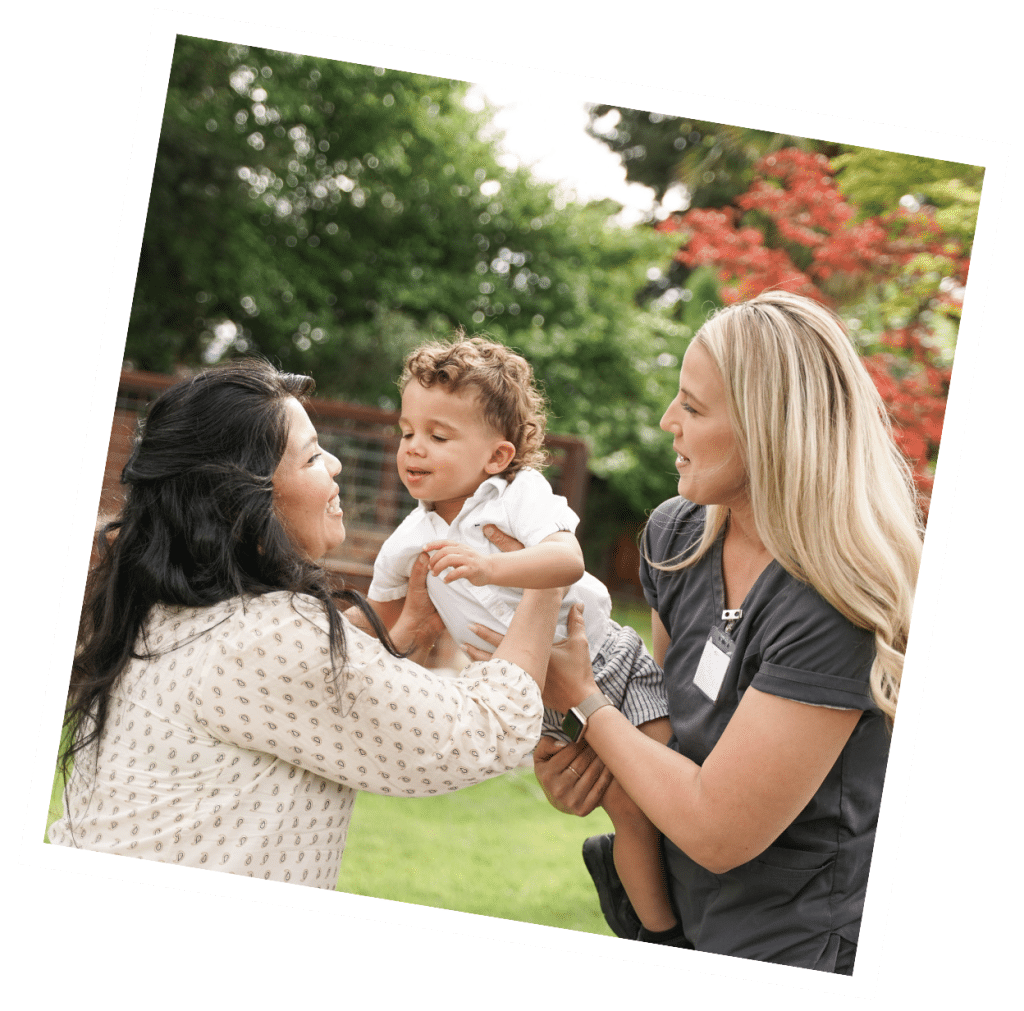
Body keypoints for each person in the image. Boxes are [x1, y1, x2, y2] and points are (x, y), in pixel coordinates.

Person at [507, 291, 922, 974]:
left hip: (797, 948)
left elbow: (719, 828)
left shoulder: (836, 604)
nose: (668, 421)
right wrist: (581, 767)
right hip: (676, 919)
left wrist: (584, 696)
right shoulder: (678, 535)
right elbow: (662, 724)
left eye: (694, 408)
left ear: (769, 430)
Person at [50, 359, 568, 888]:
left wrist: (405, 628)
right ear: (243, 500)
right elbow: (484, 731)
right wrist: (545, 579)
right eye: (314, 455)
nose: (338, 465)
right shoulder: (271, 636)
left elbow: (289, 686)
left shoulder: (154, 609)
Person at [366, 336, 682, 943]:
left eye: (438, 435)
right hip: (530, 699)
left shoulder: (517, 494)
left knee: (663, 786)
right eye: (407, 431)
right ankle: (662, 936)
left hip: (600, 659)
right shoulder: (409, 539)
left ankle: (675, 923)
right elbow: (377, 623)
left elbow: (564, 560)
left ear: (497, 454)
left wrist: (489, 569)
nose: (414, 448)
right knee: (627, 810)